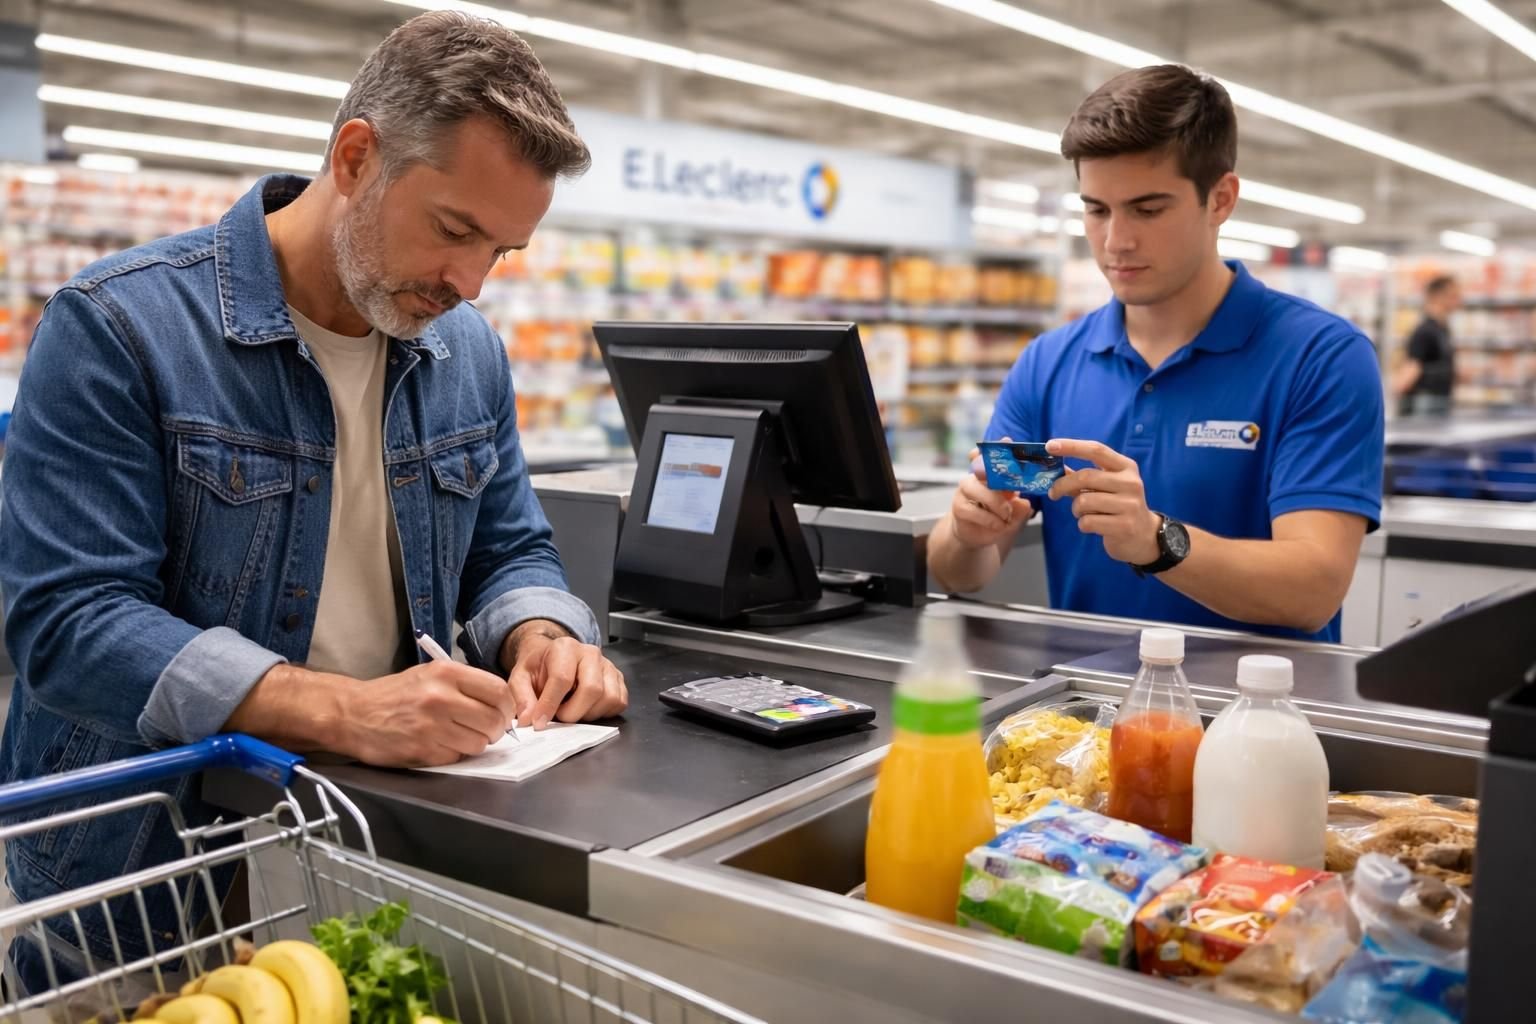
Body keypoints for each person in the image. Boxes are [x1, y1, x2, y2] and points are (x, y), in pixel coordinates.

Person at [0, 11, 625, 993]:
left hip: (360, 860)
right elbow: (69, 623)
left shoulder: (469, 357)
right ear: (355, 155)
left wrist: (541, 633)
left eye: (502, 251)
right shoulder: (120, 326)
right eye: (456, 229)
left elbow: (510, 551)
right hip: (143, 885)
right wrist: (342, 710)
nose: (470, 283)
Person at [928, 64, 1383, 644]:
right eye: (1097, 209)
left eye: (1147, 209)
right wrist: (967, 534)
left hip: (1247, 723)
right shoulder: (1049, 363)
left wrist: (1157, 540)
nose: (1117, 240)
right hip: (1080, 715)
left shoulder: (1320, 358)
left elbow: (1313, 589)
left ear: (1220, 200)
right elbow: (961, 570)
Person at [1393, 274, 1462, 416]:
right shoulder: (1424, 331)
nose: (1459, 300)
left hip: (1438, 404)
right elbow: (1411, 368)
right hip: (1424, 406)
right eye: (1453, 296)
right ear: (1436, 296)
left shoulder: (1442, 329)